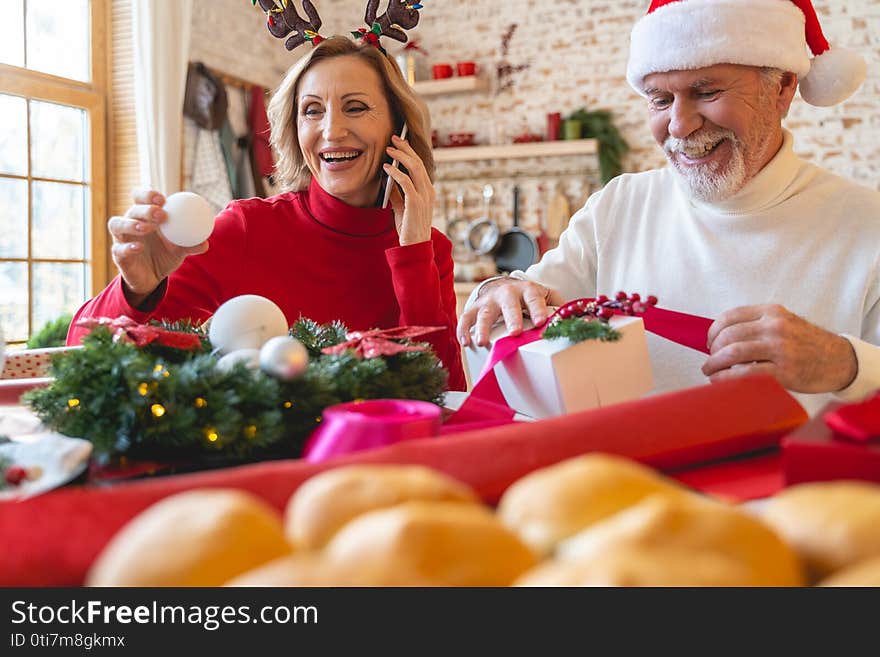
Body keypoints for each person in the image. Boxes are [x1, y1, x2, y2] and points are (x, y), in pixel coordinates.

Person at [458, 0, 880, 415]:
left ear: (783, 88)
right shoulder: (618, 206)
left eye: (707, 91)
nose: (679, 124)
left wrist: (845, 364)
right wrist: (497, 291)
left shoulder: (867, 224)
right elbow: (524, 302)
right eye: (660, 100)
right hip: (624, 481)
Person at [67, 36, 466, 391]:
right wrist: (137, 290)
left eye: (356, 107)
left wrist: (414, 251)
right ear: (295, 129)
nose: (331, 131)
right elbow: (81, 355)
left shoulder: (430, 251)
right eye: (311, 110)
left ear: (398, 126)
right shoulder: (247, 228)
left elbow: (444, 394)